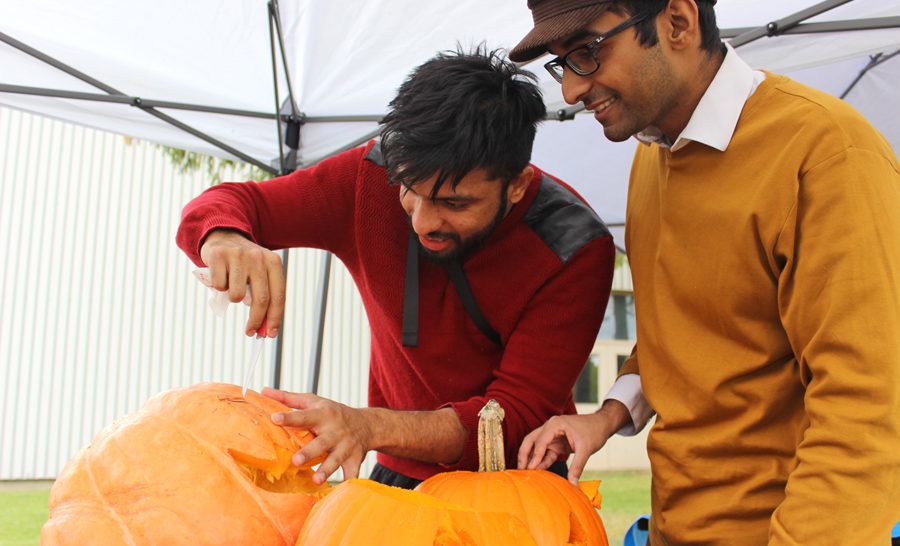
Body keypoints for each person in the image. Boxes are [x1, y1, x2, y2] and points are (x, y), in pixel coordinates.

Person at [510, 0, 900, 544]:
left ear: (678, 21)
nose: (572, 90)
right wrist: (607, 416)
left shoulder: (826, 153)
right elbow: (683, 333)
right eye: (561, 64)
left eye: (586, 53)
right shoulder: (650, 158)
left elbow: (865, 412)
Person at [176, 48, 616, 490]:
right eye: (409, 189)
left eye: (453, 203)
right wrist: (225, 237)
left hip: (516, 485)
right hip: (397, 472)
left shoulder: (575, 247)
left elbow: (507, 420)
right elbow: (231, 203)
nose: (422, 222)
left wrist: (367, 426)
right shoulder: (367, 178)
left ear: (516, 185)